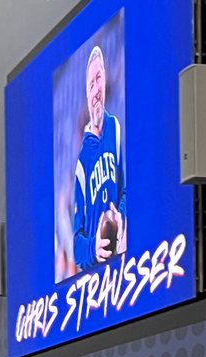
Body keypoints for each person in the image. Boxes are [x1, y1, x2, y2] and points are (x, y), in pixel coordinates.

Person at [72, 45, 126, 271]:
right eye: (90, 84)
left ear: (105, 81)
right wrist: (94, 248)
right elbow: (76, 243)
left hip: (123, 264)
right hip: (97, 281)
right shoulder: (81, 164)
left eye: (98, 79)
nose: (95, 90)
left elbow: (127, 190)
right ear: (86, 93)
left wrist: (121, 215)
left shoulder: (116, 127)